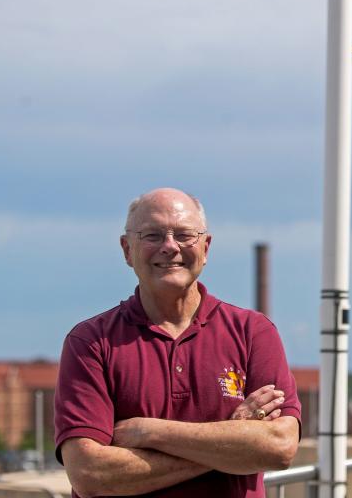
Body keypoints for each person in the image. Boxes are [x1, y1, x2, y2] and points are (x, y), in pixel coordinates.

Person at [54, 188, 301, 497]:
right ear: (127, 250)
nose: (170, 247)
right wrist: (231, 438)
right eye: (152, 236)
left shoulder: (253, 332)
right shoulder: (91, 342)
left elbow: (279, 448)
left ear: (206, 247)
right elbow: (89, 473)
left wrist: (149, 432)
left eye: (185, 235)